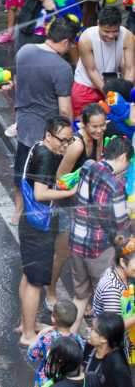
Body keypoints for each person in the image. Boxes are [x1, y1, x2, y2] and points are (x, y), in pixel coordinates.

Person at [17, 116, 76, 346]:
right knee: (35, 282)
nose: (65, 145)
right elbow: (41, 194)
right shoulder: (45, 156)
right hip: (38, 226)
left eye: (69, 141)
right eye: (62, 140)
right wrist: (69, 193)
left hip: (30, 221)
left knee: (28, 275)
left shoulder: (38, 148)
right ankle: (28, 334)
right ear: (49, 136)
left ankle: (27, 324)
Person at [12, 18, 76, 226]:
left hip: (24, 125)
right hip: (48, 133)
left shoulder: (25, 51)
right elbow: (65, 108)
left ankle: (18, 211)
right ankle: (38, 215)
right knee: (43, 176)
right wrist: (69, 137)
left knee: (21, 170)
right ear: (66, 42)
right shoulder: (62, 68)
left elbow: (16, 82)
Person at [70, 136, 132, 333]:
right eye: (128, 162)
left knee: (80, 296)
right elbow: (121, 226)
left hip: (76, 242)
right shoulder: (116, 185)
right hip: (99, 250)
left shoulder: (88, 166)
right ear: (123, 157)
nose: (127, 166)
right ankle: (99, 348)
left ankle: (68, 338)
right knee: (104, 303)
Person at [48, 103, 106, 309]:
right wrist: (77, 188)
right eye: (94, 127)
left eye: (102, 126)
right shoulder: (77, 145)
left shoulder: (97, 140)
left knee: (84, 251)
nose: (99, 130)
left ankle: (85, 298)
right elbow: (60, 177)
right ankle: (51, 291)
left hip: (85, 203)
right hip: (67, 202)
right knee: (63, 251)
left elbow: (97, 164)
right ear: (84, 124)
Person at [71, 6, 135, 118]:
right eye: (106, 31)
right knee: (84, 125)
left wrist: (125, 89)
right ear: (98, 24)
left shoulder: (127, 36)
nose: (110, 36)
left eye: (115, 31)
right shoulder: (86, 38)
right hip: (86, 86)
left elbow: (131, 67)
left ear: (120, 25)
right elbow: (91, 71)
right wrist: (109, 92)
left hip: (112, 85)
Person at [27, 300, 85, 387]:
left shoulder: (47, 338)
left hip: (46, 378)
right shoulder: (79, 340)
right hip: (67, 379)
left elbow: (32, 354)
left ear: (53, 318)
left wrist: (39, 335)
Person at [85, 313, 133, 387]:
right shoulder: (90, 347)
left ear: (103, 339)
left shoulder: (118, 368)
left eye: (93, 329)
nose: (88, 330)